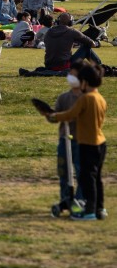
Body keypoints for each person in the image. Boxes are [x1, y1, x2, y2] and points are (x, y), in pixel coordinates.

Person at [46, 60, 107, 221]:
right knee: (86, 176)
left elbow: (70, 115)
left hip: (86, 142)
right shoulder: (98, 97)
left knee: (86, 177)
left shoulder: (86, 98)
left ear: (84, 81)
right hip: (92, 141)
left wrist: (55, 116)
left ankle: (86, 208)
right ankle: (93, 206)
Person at [51, 68, 84, 217]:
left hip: (82, 139)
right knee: (64, 171)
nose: (71, 78)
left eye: (74, 75)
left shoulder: (87, 97)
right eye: (70, 74)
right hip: (65, 139)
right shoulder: (64, 97)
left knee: (81, 171)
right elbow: (54, 116)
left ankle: (80, 200)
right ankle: (65, 199)